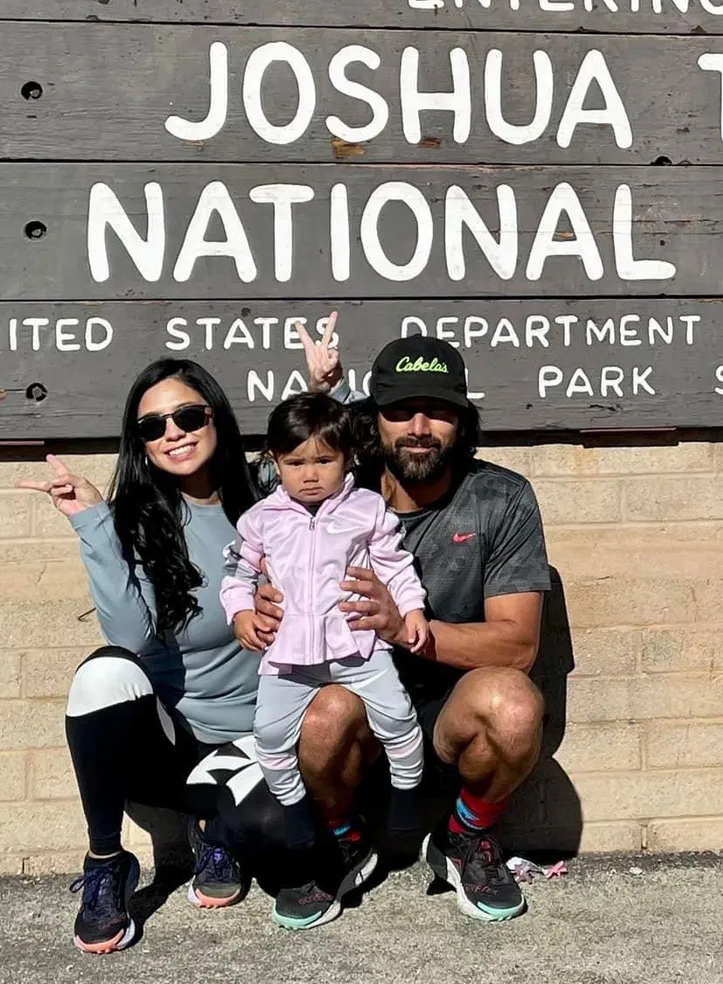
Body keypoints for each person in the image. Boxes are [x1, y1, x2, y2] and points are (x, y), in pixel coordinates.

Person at [15, 359, 380, 953]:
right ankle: (107, 864)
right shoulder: (134, 521)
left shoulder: (271, 495)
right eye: (152, 427)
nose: (173, 433)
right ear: (141, 443)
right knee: (104, 672)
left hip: (261, 738)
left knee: (277, 839)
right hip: (174, 743)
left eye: (186, 416)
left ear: (215, 415)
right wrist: (92, 523)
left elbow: (341, 467)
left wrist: (330, 392)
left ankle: (220, 831)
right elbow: (131, 637)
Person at [251, 318, 551, 923]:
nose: (418, 428)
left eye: (437, 411)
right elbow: (272, 475)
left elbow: (517, 645)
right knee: (321, 710)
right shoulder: (333, 483)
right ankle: (344, 840)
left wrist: (404, 627)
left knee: (513, 704)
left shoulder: (499, 497)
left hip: (448, 705)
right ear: (372, 420)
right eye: (400, 411)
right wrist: (253, 595)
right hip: (349, 693)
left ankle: (465, 836)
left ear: (462, 421)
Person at [220, 391, 429, 929]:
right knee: (269, 734)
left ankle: (408, 797)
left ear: (348, 459)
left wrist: (412, 611)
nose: (310, 474)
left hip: (357, 643)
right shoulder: (260, 520)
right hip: (289, 655)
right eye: (295, 463)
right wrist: (242, 614)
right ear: (274, 461)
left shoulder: (367, 509)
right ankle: (296, 819)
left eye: (323, 460)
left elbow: (397, 567)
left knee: (397, 718)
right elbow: (237, 577)